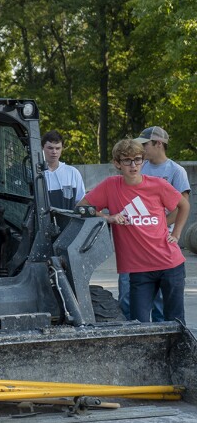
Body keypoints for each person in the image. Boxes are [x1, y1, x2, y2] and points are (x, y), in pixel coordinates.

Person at [79, 139, 188, 324]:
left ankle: (174, 353)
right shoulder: (111, 186)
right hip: (139, 269)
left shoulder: (158, 185)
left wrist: (176, 234)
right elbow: (82, 207)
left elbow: (183, 205)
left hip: (170, 264)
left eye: (137, 160)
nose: (133, 165)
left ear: (143, 161)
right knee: (139, 323)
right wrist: (108, 218)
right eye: (127, 160)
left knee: (175, 323)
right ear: (117, 163)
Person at [115, 126, 192, 322]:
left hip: (162, 242)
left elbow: (181, 206)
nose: (141, 149)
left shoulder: (176, 171)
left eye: (145, 144)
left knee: (161, 303)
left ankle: (160, 336)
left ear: (158, 144)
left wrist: (163, 228)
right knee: (128, 294)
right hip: (136, 245)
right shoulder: (141, 166)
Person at [41, 130, 85, 210]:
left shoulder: (72, 172)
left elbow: (81, 202)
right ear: (42, 148)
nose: (54, 152)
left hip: (69, 221)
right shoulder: (36, 173)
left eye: (57, 148)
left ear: (62, 148)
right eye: (50, 148)